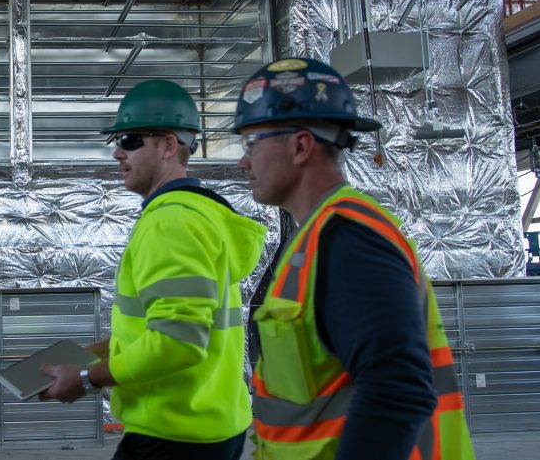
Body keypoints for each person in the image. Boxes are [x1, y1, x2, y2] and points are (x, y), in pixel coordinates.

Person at [235, 57, 475, 460]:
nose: (244, 161)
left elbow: (397, 391)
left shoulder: (350, 241)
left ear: (300, 146)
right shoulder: (315, 237)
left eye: (252, 143)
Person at [40, 79, 267, 460]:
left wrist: (84, 378)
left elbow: (178, 342)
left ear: (167, 146)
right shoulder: (203, 214)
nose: (117, 152)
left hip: (172, 435)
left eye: (129, 140)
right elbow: (175, 327)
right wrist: (94, 353)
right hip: (210, 424)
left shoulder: (171, 223)